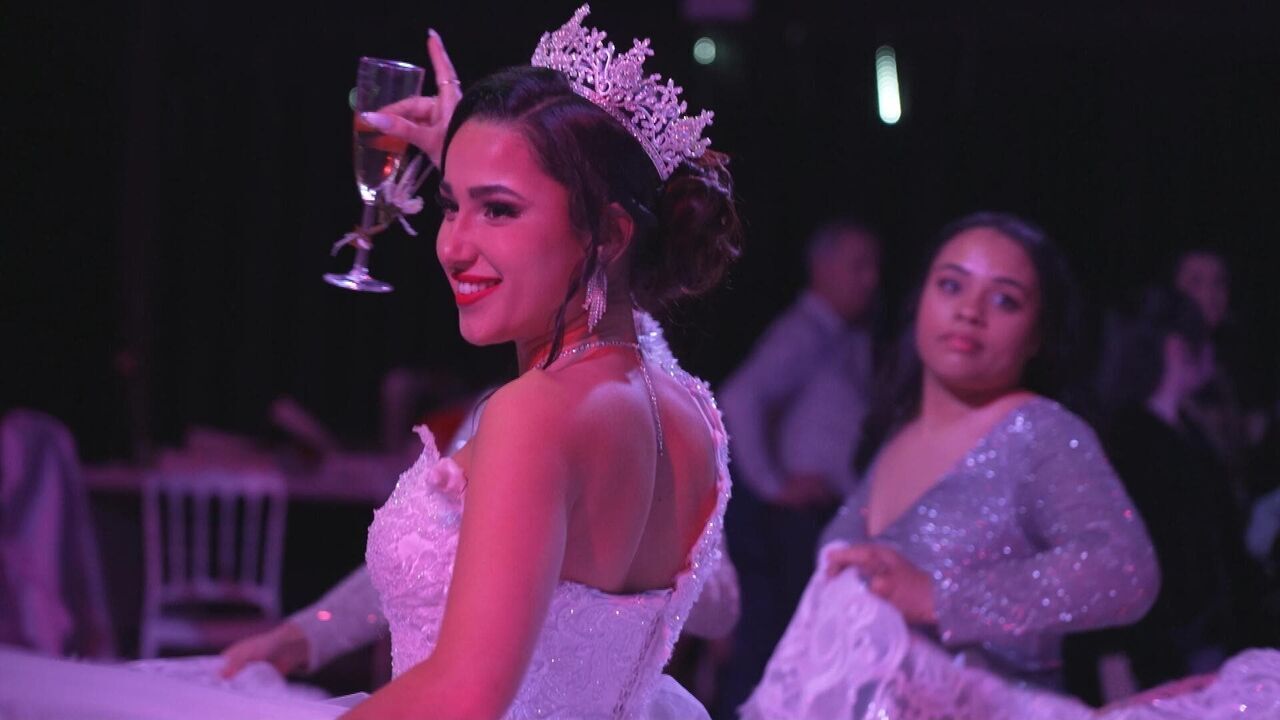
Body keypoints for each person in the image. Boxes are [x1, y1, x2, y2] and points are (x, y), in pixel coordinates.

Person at [0, 7, 742, 719]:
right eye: (450, 205)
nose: (452, 246)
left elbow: (462, 699)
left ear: (608, 234)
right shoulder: (690, 417)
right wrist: (493, 157)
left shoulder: (534, 413)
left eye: (498, 209)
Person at [806, 212, 1160, 690]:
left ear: (1038, 334)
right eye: (951, 286)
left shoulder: (1039, 431)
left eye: (1004, 300)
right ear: (920, 300)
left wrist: (940, 598)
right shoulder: (897, 434)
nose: (969, 311)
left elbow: (1124, 569)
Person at [714, 220, 881, 715]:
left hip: (821, 521)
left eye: (874, 266)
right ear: (822, 268)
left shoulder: (844, 337)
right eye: (858, 265)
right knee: (772, 654)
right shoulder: (805, 332)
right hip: (792, 528)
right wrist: (773, 485)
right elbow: (740, 397)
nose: (871, 279)